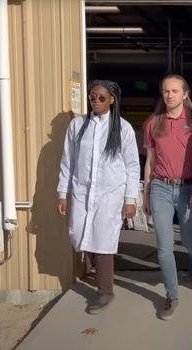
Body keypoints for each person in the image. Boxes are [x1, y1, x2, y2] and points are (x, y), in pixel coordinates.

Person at [57, 80, 140, 314]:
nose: (96, 100)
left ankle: (105, 291)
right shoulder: (77, 125)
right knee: (79, 232)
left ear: (112, 99)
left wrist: (130, 199)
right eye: (92, 96)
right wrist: (63, 193)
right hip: (83, 191)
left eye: (101, 97)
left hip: (110, 193)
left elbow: (132, 165)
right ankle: (97, 272)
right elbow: (68, 161)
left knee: (104, 238)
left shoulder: (122, 128)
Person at [143, 74, 192, 320]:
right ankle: (172, 295)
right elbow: (149, 162)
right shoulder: (153, 123)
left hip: (188, 189)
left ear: (185, 94)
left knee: (190, 241)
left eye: (174, 91)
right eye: (165, 91)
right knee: (164, 246)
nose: (169, 95)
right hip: (160, 187)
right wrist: (146, 192)